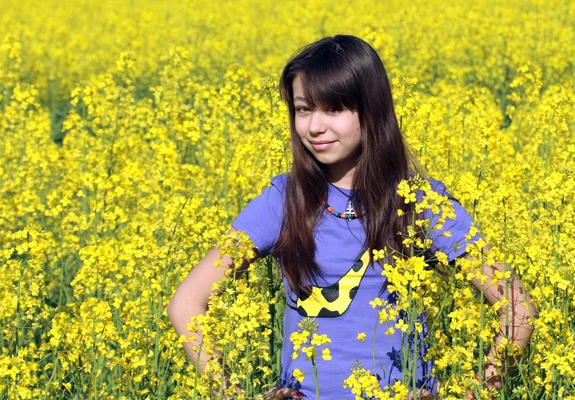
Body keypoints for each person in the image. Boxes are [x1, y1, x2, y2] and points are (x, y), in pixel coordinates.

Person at [167, 35, 536, 399]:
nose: (314, 126)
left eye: (333, 109)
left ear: (371, 110)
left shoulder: (421, 202)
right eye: (303, 109)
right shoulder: (282, 201)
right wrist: (230, 393)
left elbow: (517, 309)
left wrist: (477, 392)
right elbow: (185, 304)